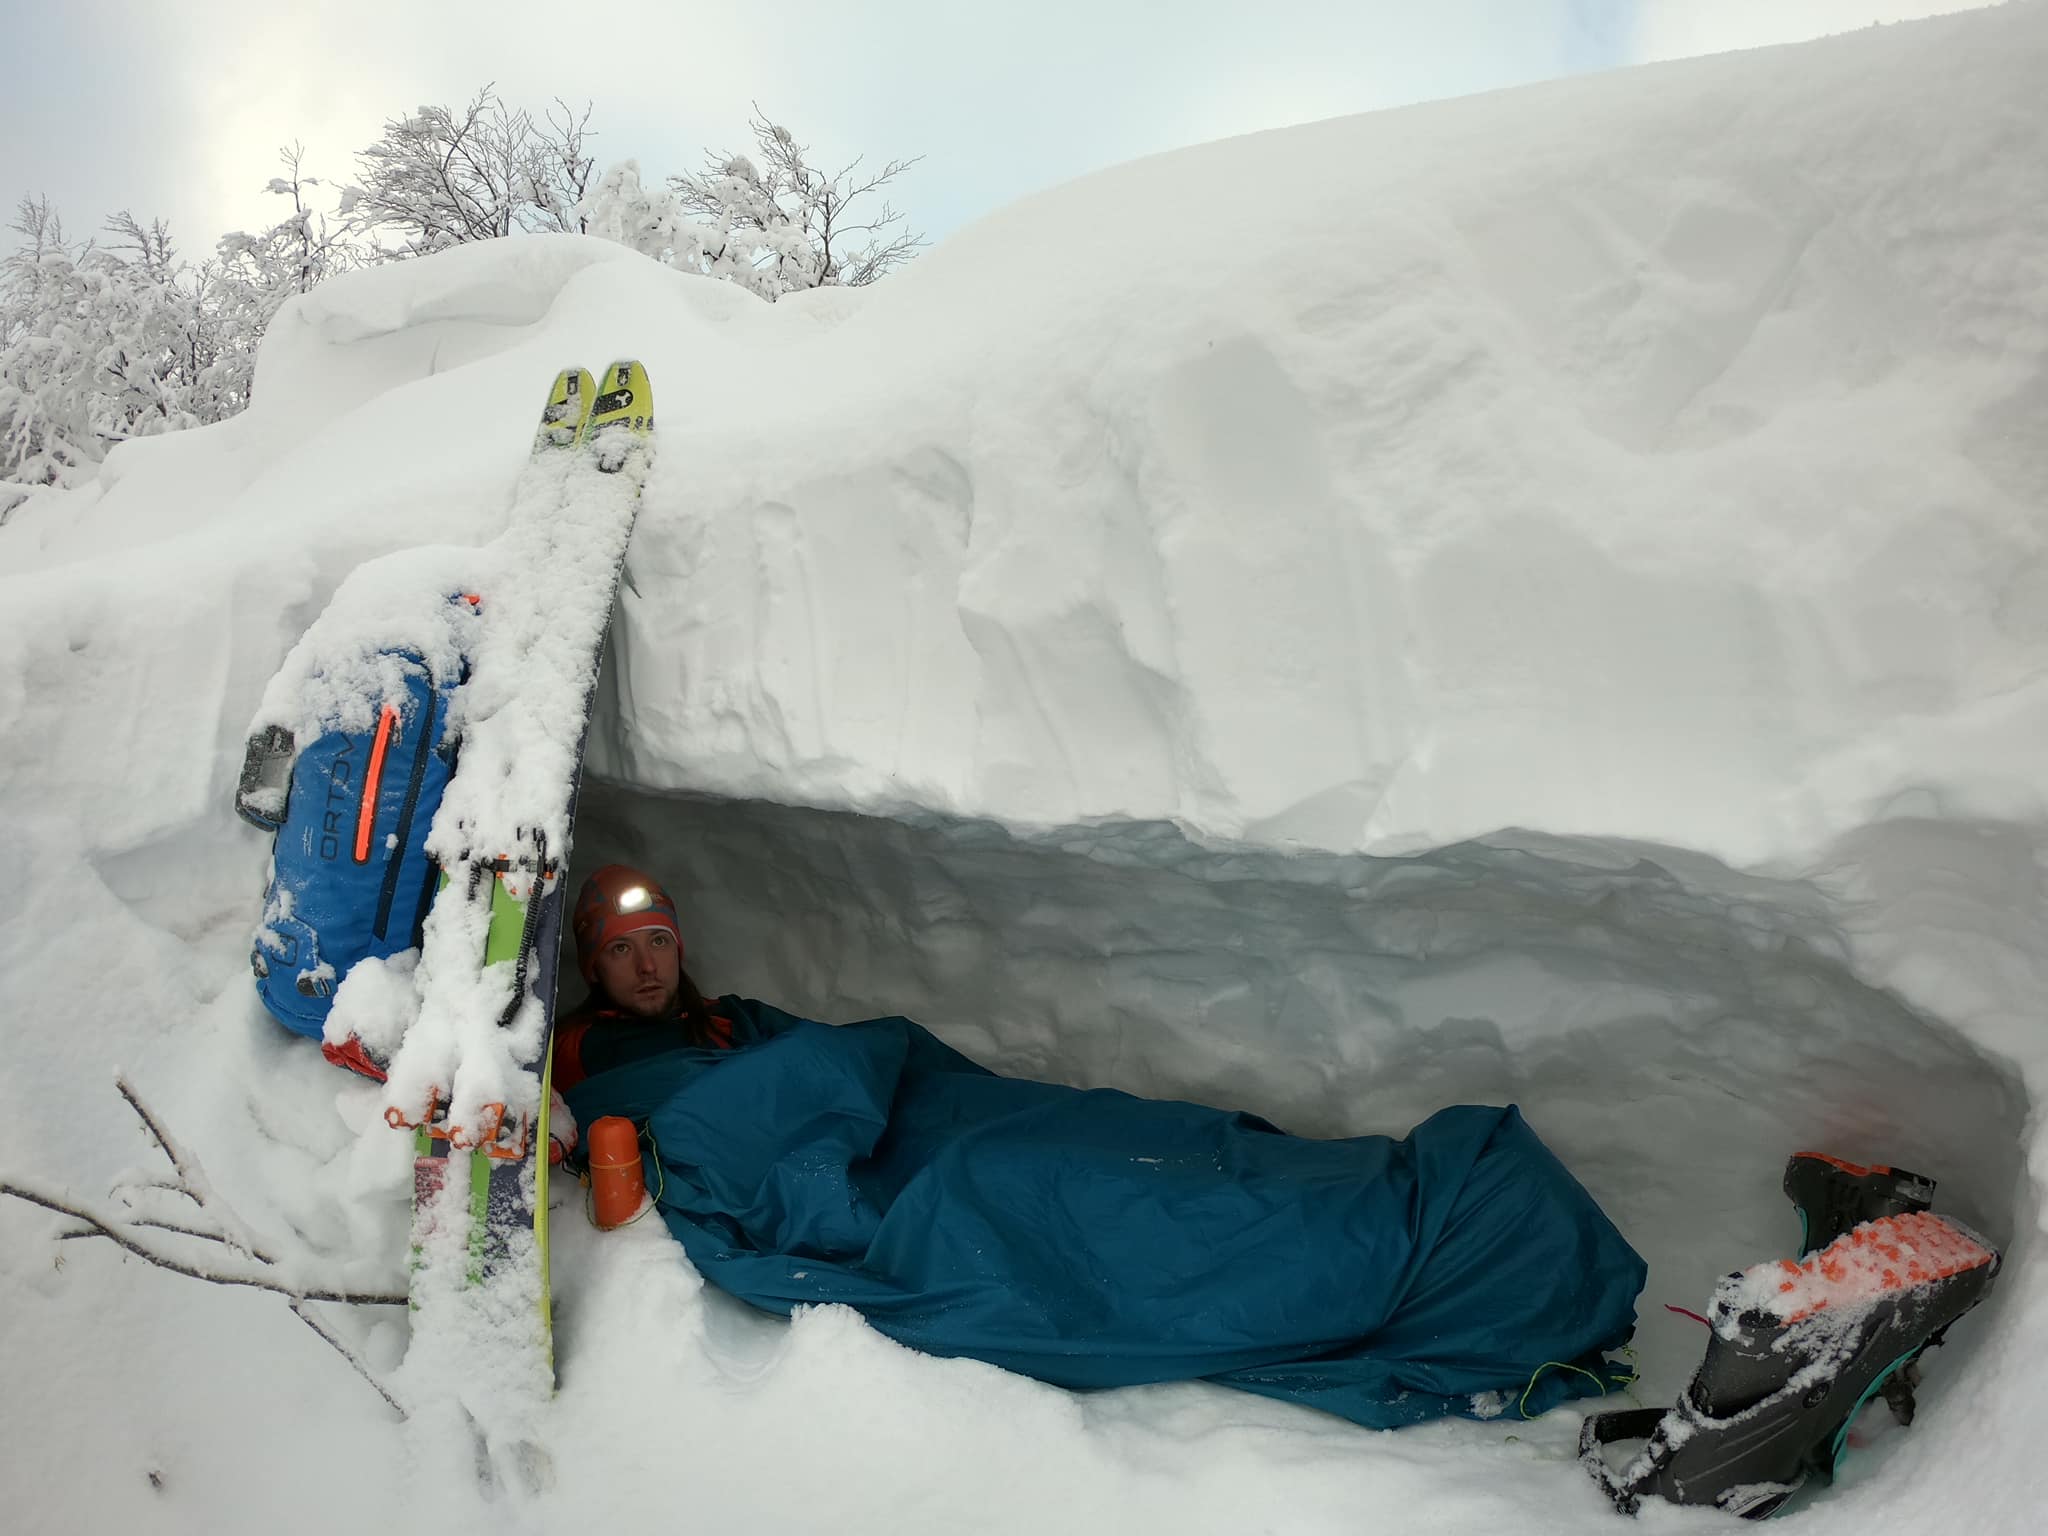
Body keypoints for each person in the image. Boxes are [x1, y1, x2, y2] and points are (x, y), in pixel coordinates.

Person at [553, 864, 743, 1091]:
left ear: (677, 951)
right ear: (594, 969)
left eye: (658, 941)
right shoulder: (569, 1053)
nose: (647, 966)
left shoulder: (739, 1020)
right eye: (621, 948)